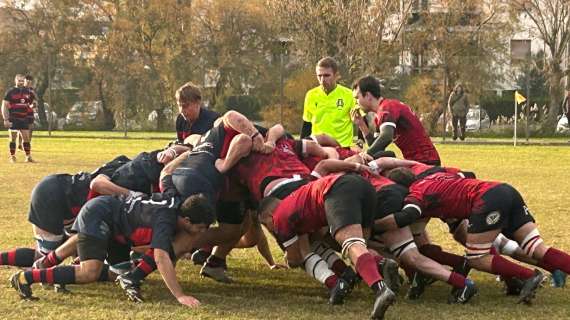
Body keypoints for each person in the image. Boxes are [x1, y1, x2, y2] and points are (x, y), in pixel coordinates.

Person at [376, 169, 570, 304]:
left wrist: (373, 225)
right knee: (536, 249)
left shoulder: (416, 192)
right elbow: (466, 176)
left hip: (487, 201)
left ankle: (528, 276)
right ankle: (531, 276)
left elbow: (408, 215)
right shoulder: (435, 177)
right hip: (504, 190)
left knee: (476, 258)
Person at [10, 190, 215, 307]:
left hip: (113, 221)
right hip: (100, 215)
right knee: (90, 272)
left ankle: (55, 275)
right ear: (187, 220)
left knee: (113, 273)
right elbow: (161, 258)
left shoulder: (175, 201)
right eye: (200, 228)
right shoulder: (166, 220)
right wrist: (180, 295)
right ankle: (25, 278)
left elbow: (167, 174)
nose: (199, 233)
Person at [258, 173, 396, 319]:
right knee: (361, 245)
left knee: (352, 244)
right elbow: (320, 232)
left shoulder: (279, 217)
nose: (269, 228)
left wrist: (289, 258)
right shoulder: (295, 203)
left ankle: (380, 290)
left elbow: (296, 258)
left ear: (268, 215)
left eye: (265, 224)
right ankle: (381, 263)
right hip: (361, 185)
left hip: (337, 190)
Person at [352, 75, 440, 165]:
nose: (356, 102)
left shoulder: (387, 108)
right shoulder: (381, 112)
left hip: (426, 161)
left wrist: (365, 155)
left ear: (368, 95)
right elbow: (376, 147)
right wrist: (362, 125)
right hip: (418, 161)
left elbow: (386, 136)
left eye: (357, 98)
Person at [301, 57, 356, 148]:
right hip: (319, 147)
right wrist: (302, 148)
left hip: (343, 147)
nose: (322, 79)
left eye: (326, 75)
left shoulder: (349, 95)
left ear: (336, 75)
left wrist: (360, 143)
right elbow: (307, 124)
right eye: (319, 76)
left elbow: (361, 121)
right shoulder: (311, 95)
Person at [2, 74, 36, 162]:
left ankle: (28, 157)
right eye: (19, 80)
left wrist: (33, 106)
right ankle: (12, 156)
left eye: (22, 81)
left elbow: (32, 103)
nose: (20, 82)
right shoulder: (11, 91)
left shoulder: (28, 92)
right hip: (13, 119)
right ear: (15, 81)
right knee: (13, 138)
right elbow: (4, 105)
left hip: (24, 119)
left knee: (26, 138)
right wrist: (6, 119)